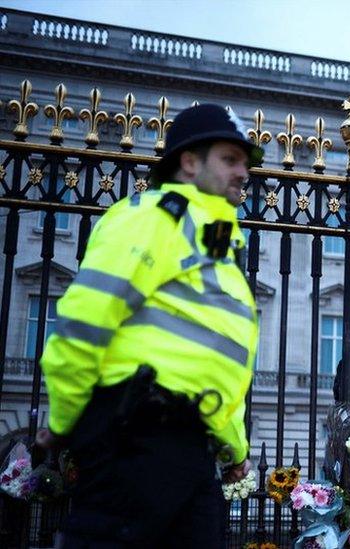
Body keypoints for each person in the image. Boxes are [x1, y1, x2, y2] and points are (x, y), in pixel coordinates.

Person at [35, 104, 263, 547]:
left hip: (188, 445)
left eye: (244, 162)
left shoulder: (215, 239)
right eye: (230, 159)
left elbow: (215, 362)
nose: (243, 172)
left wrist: (235, 450)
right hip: (134, 432)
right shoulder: (152, 217)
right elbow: (84, 321)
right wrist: (64, 419)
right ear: (190, 162)